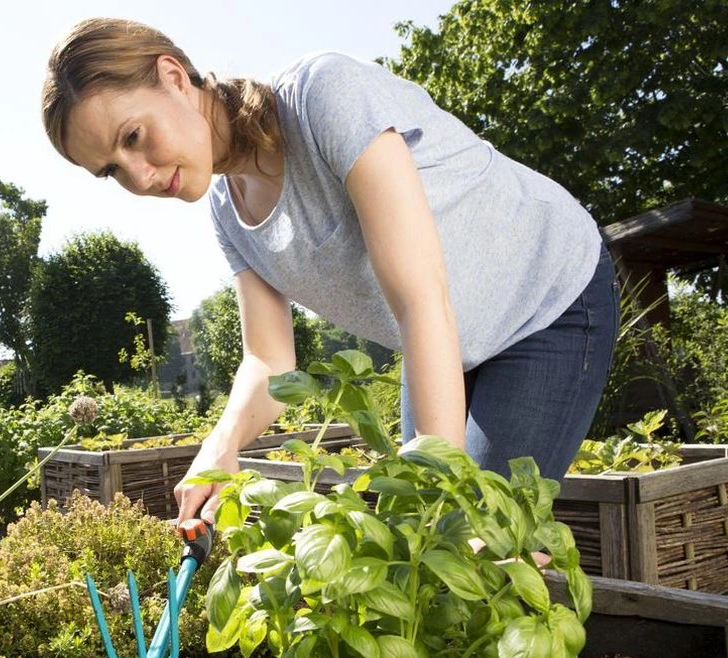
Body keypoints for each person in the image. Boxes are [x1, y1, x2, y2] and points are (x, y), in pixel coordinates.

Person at [42, 18, 619, 527]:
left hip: (546, 300)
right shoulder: (228, 213)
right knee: (424, 541)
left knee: (481, 540)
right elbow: (269, 361)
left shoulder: (324, 96)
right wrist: (221, 445)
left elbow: (420, 296)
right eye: (112, 170)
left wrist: (441, 495)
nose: (140, 177)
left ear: (173, 77)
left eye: (133, 137)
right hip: (449, 337)